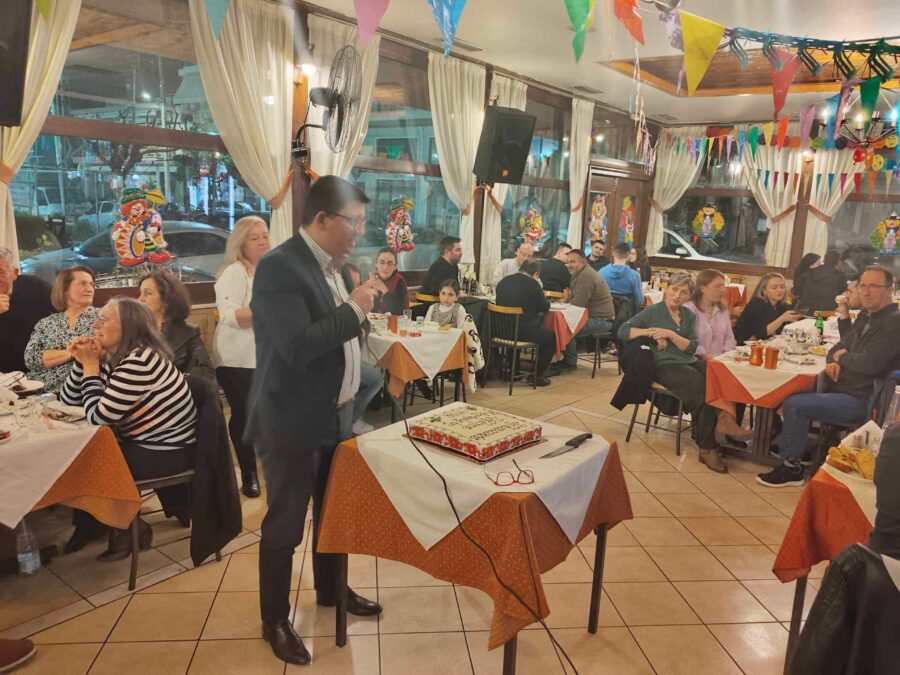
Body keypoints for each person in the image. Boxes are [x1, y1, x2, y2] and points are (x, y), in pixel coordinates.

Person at [247, 176, 385, 666]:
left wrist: (353, 311)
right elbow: (296, 346)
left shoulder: (334, 268)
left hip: (335, 415)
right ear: (322, 219)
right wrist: (355, 309)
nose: (359, 232)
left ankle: (332, 591)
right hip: (291, 419)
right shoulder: (280, 267)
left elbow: (335, 338)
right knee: (286, 525)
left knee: (333, 515)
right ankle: (274, 620)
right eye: (354, 222)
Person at [60, 297, 198, 559]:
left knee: (86, 464)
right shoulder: (114, 357)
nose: (95, 325)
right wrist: (81, 362)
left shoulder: (140, 361)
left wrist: (90, 366)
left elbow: (98, 417)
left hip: (168, 450)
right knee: (83, 458)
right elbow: (68, 401)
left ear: (129, 327)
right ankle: (116, 524)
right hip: (142, 442)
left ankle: (126, 528)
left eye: (104, 319)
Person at [758, 266, 900, 487]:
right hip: (842, 388)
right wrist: (835, 359)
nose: (865, 291)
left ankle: (791, 468)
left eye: (873, 286)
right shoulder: (866, 315)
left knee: (795, 404)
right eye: (863, 285)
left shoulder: (894, 322)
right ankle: (798, 449)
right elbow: (837, 347)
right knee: (789, 390)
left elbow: (869, 364)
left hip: (863, 400)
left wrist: (842, 358)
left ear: (890, 290)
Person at [618, 273, 743, 473]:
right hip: (664, 365)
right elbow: (623, 331)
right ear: (667, 289)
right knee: (702, 390)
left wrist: (670, 335)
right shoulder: (653, 311)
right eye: (674, 289)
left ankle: (725, 421)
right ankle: (708, 447)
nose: (677, 295)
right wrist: (650, 332)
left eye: (683, 292)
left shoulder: (688, 315)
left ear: (689, 295)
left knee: (720, 375)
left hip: (688, 360)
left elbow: (691, 347)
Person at [214, 216, 270, 499]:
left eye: (265, 236)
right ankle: (248, 474)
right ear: (240, 243)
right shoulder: (234, 273)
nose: (262, 242)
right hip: (236, 360)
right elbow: (232, 317)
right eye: (254, 238)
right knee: (245, 416)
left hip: (266, 357)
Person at [24, 267, 99, 393]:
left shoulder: (103, 318)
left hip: (80, 393)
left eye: (91, 284)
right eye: (82, 283)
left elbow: (101, 352)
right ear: (64, 289)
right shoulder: (46, 323)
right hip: (38, 392)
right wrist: (73, 352)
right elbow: (31, 359)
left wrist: (51, 355)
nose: (89, 289)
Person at [138, 270, 214, 381]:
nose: (140, 299)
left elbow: (204, 373)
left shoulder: (188, 333)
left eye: (148, 293)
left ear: (166, 299)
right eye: (140, 293)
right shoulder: (134, 331)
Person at [495, 259, 556, 386]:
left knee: (517, 325)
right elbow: (545, 307)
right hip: (522, 332)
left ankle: (513, 369)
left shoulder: (504, 281)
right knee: (551, 339)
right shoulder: (534, 285)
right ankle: (536, 375)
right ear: (536, 273)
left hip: (501, 330)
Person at [0, 246, 54, 374]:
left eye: (0, 272)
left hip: (40, 368)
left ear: (15, 273)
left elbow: (66, 308)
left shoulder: (36, 287)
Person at [562, 249, 615, 370]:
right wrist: (567, 300)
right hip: (592, 316)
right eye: (568, 262)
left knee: (566, 327)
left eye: (573, 262)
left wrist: (566, 301)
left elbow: (578, 304)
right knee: (564, 324)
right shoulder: (579, 273)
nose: (569, 265)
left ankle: (570, 363)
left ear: (583, 262)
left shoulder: (586, 276)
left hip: (602, 320)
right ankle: (567, 360)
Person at [733, 273, 803, 345]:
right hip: (742, 345)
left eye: (782, 287)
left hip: (765, 344)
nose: (779, 290)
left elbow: (782, 330)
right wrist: (782, 318)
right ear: (764, 290)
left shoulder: (781, 305)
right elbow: (761, 334)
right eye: (774, 287)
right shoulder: (756, 304)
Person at [600, 242, 644, 308]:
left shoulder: (601, 272)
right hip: (627, 312)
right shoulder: (634, 275)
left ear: (613, 254)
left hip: (605, 311)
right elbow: (640, 301)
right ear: (628, 257)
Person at [373, 247, 409, 316]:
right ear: (376, 264)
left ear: (395, 266)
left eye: (389, 263)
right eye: (382, 262)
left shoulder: (399, 281)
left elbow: (398, 312)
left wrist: (384, 289)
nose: (385, 267)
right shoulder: (372, 280)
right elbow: (371, 310)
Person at [836, 274, 862, 339]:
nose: (847, 295)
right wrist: (844, 312)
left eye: (850, 292)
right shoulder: (864, 315)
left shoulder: (874, 320)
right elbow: (848, 341)